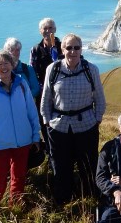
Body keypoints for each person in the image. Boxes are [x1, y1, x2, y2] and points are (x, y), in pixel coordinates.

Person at [41, 33, 106, 204]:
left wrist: (96, 119)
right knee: (61, 165)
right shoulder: (53, 69)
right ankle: (63, 197)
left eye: (76, 47)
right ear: (62, 50)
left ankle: (88, 195)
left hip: (86, 125)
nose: (73, 51)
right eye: (68, 48)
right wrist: (47, 121)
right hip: (58, 126)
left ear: (81, 49)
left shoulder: (91, 69)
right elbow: (46, 98)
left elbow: (99, 98)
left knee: (87, 163)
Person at [0, 50, 41, 217]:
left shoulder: (21, 84)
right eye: (0, 64)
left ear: (12, 65)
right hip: (0, 145)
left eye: (7, 63)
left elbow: (31, 111)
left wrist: (35, 136)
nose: (4, 67)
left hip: (23, 141)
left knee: (19, 178)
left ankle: (17, 207)